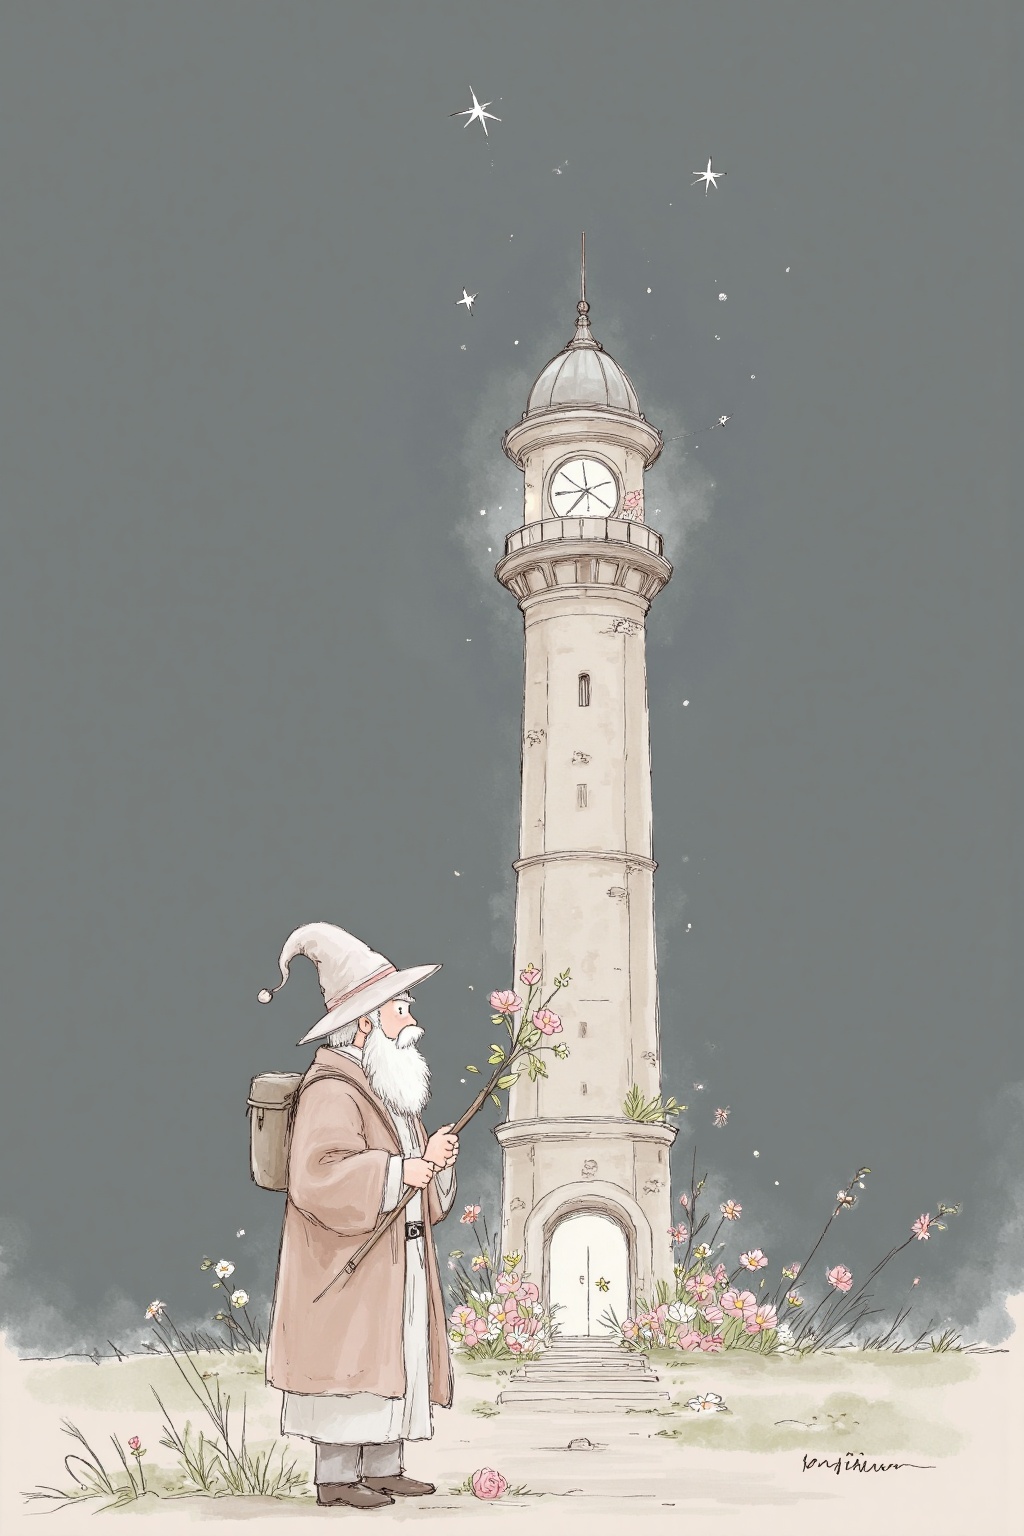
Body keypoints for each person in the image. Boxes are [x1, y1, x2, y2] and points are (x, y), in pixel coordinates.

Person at [258, 923, 459, 1510]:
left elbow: (414, 1174)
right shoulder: (333, 1090)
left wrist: (433, 1165)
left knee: (391, 1355)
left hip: (395, 1256)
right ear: (366, 1022)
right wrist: (400, 1172)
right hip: (347, 1261)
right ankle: (338, 1476)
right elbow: (318, 1175)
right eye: (399, 1006)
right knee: (350, 1364)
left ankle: (384, 1464)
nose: (410, 1015)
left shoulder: (387, 1088)